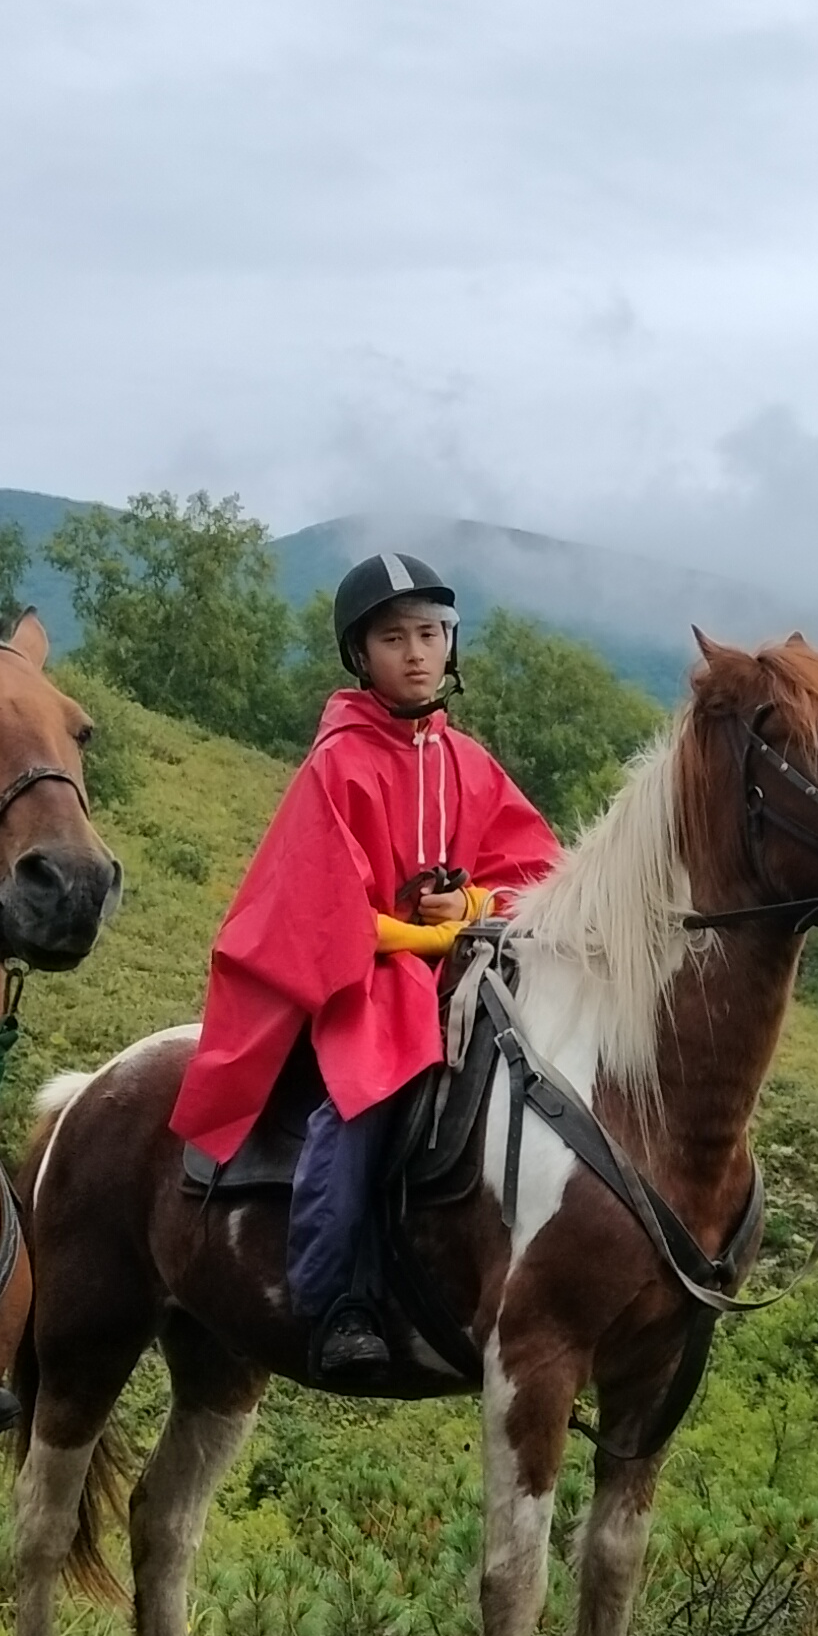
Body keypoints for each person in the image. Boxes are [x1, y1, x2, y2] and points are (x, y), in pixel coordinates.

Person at [172, 551, 558, 1376]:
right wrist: (432, 939)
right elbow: (321, 908)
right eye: (393, 638)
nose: (417, 654)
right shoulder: (337, 762)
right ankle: (337, 1298)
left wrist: (475, 907)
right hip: (368, 982)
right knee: (365, 1095)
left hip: (472, 973)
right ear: (361, 654)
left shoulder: (470, 763)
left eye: (431, 634)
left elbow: (534, 872)